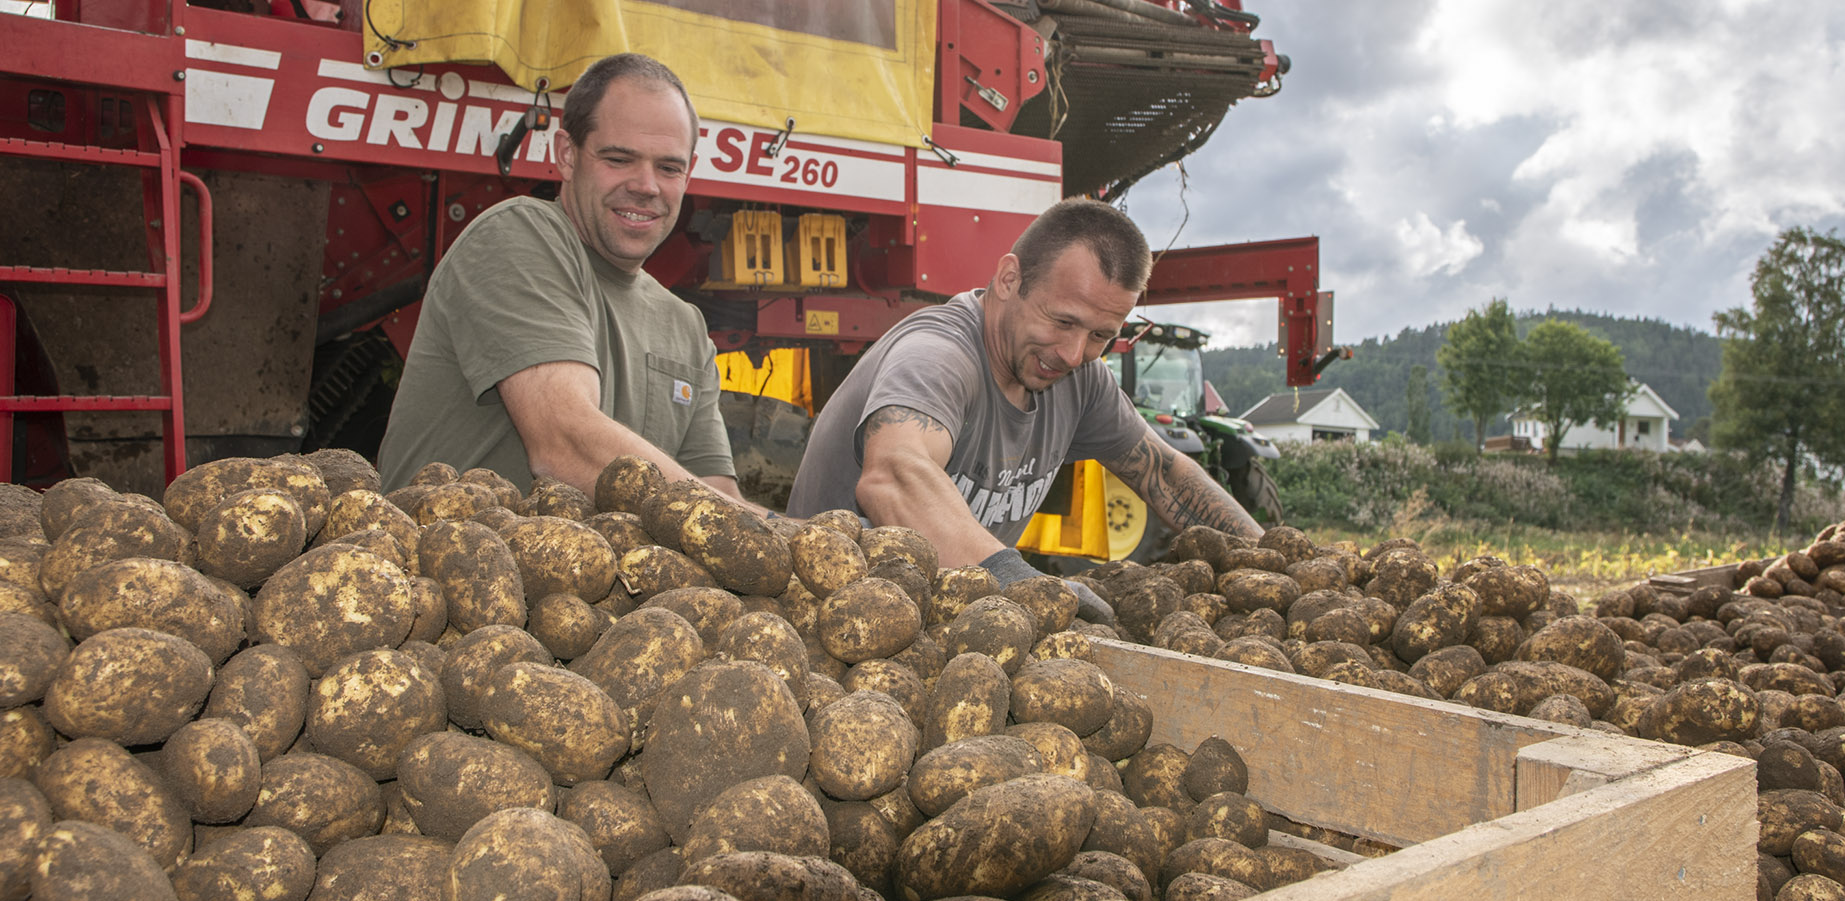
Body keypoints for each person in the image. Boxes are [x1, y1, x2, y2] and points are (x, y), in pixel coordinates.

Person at [786, 198, 1263, 622]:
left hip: (951, 618)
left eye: (1100, 335)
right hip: (833, 619)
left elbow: (1165, 474)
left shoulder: (1080, 380)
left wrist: (1271, 560)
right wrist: (1020, 585)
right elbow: (893, 473)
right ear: (1009, 279)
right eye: (1063, 321)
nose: (1074, 354)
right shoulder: (938, 354)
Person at [377, 53, 739, 501]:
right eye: (620, 159)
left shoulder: (686, 326)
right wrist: (754, 529)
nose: (647, 185)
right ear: (567, 155)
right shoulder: (518, 235)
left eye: (668, 167)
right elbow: (564, 443)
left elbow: (719, 495)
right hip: (435, 563)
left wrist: (791, 533)